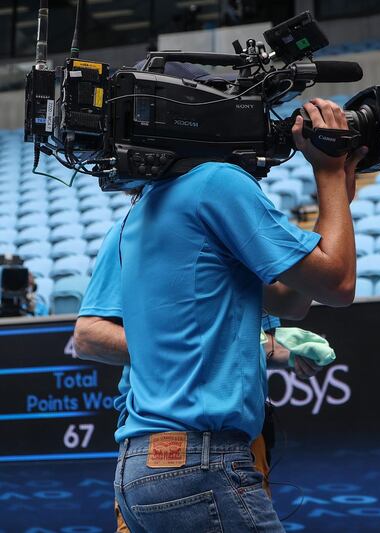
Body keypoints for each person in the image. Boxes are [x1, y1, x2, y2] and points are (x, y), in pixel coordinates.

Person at [74, 94, 362, 532]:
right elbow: (337, 285)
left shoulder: (146, 206)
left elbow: (295, 298)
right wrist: (326, 171)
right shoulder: (216, 183)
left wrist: (338, 194)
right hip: (201, 460)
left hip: (142, 465)